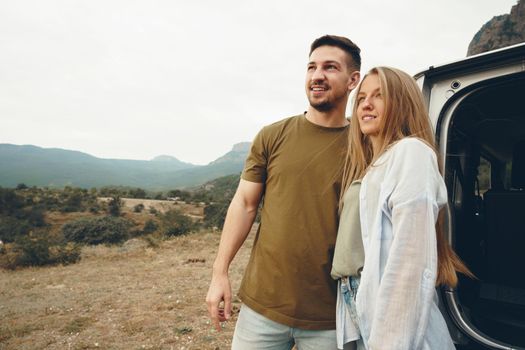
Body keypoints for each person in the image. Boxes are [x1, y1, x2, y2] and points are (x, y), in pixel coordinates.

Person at [205, 35, 361, 349]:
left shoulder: (364, 145)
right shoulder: (273, 135)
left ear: (352, 80)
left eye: (330, 68)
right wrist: (219, 271)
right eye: (312, 67)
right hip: (262, 307)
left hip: (332, 316)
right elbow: (245, 204)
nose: (317, 75)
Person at [333, 66, 474, 350]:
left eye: (379, 96)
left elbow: (411, 261)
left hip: (390, 307)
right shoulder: (374, 165)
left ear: (402, 104)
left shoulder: (412, 152)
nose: (366, 104)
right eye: (361, 98)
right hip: (354, 296)